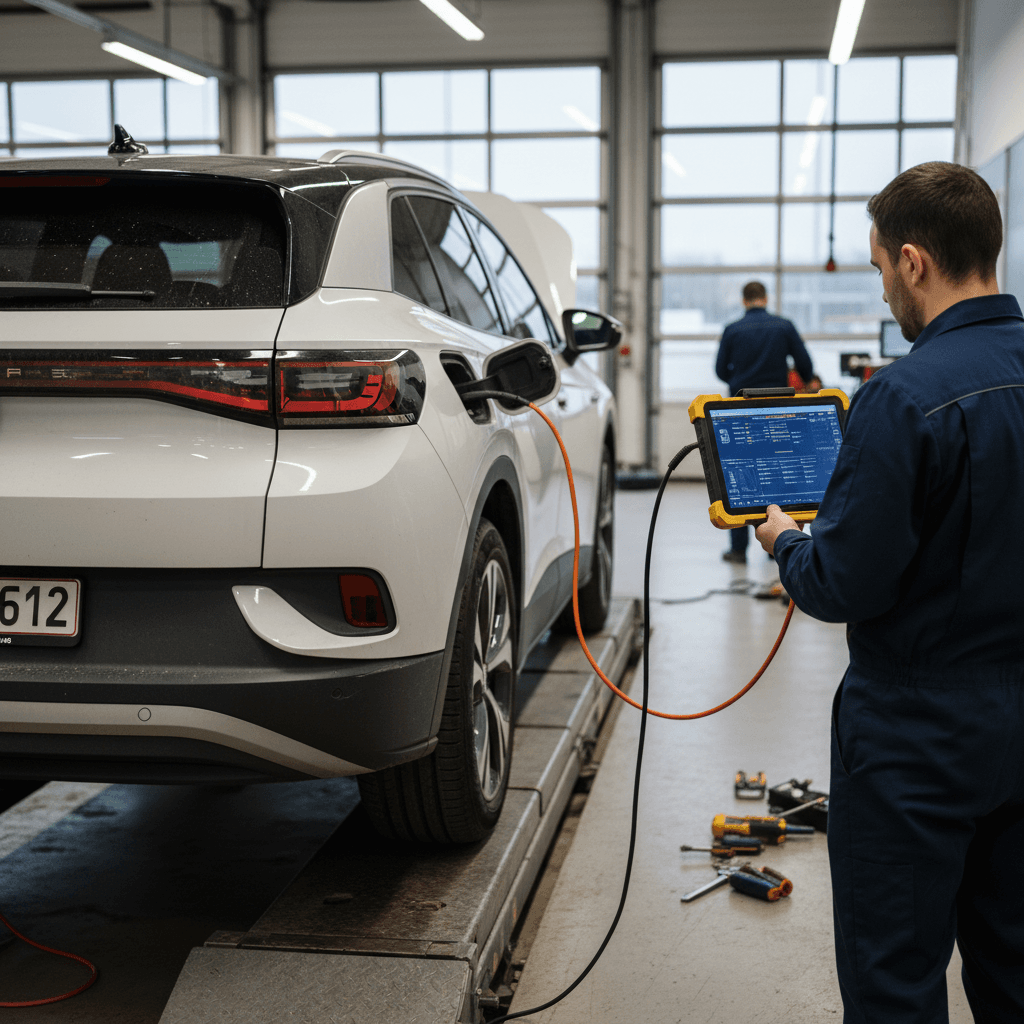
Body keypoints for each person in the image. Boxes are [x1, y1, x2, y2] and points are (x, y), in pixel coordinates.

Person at [755, 162, 1023, 1023]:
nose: (882, 291)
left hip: (917, 734)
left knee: (895, 980)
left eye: (878, 269)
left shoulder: (901, 397)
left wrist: (786, 542)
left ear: (913, 261)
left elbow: (842, 583)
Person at [715, 280, 816, 563]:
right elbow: (805, 365)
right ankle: (778, 543)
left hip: (740, 411)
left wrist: (739, 380)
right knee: (778, 474)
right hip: (777, 410)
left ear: (744, 300)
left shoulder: (732, 329)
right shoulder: (784, 326)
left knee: (738, 475)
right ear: (765, 298)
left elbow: (720, 369)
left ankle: (738, 549)